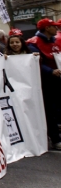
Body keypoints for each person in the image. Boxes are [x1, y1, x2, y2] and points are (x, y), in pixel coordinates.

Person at [26, 18, 61, 150]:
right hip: (45, 81)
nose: (56, 29)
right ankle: (55, 139)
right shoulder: (33, 43)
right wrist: (51, 71)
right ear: (47, 28)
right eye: (54, 27)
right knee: (50, 110)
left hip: (57, 79)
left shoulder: (54, 41)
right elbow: (36, 62)